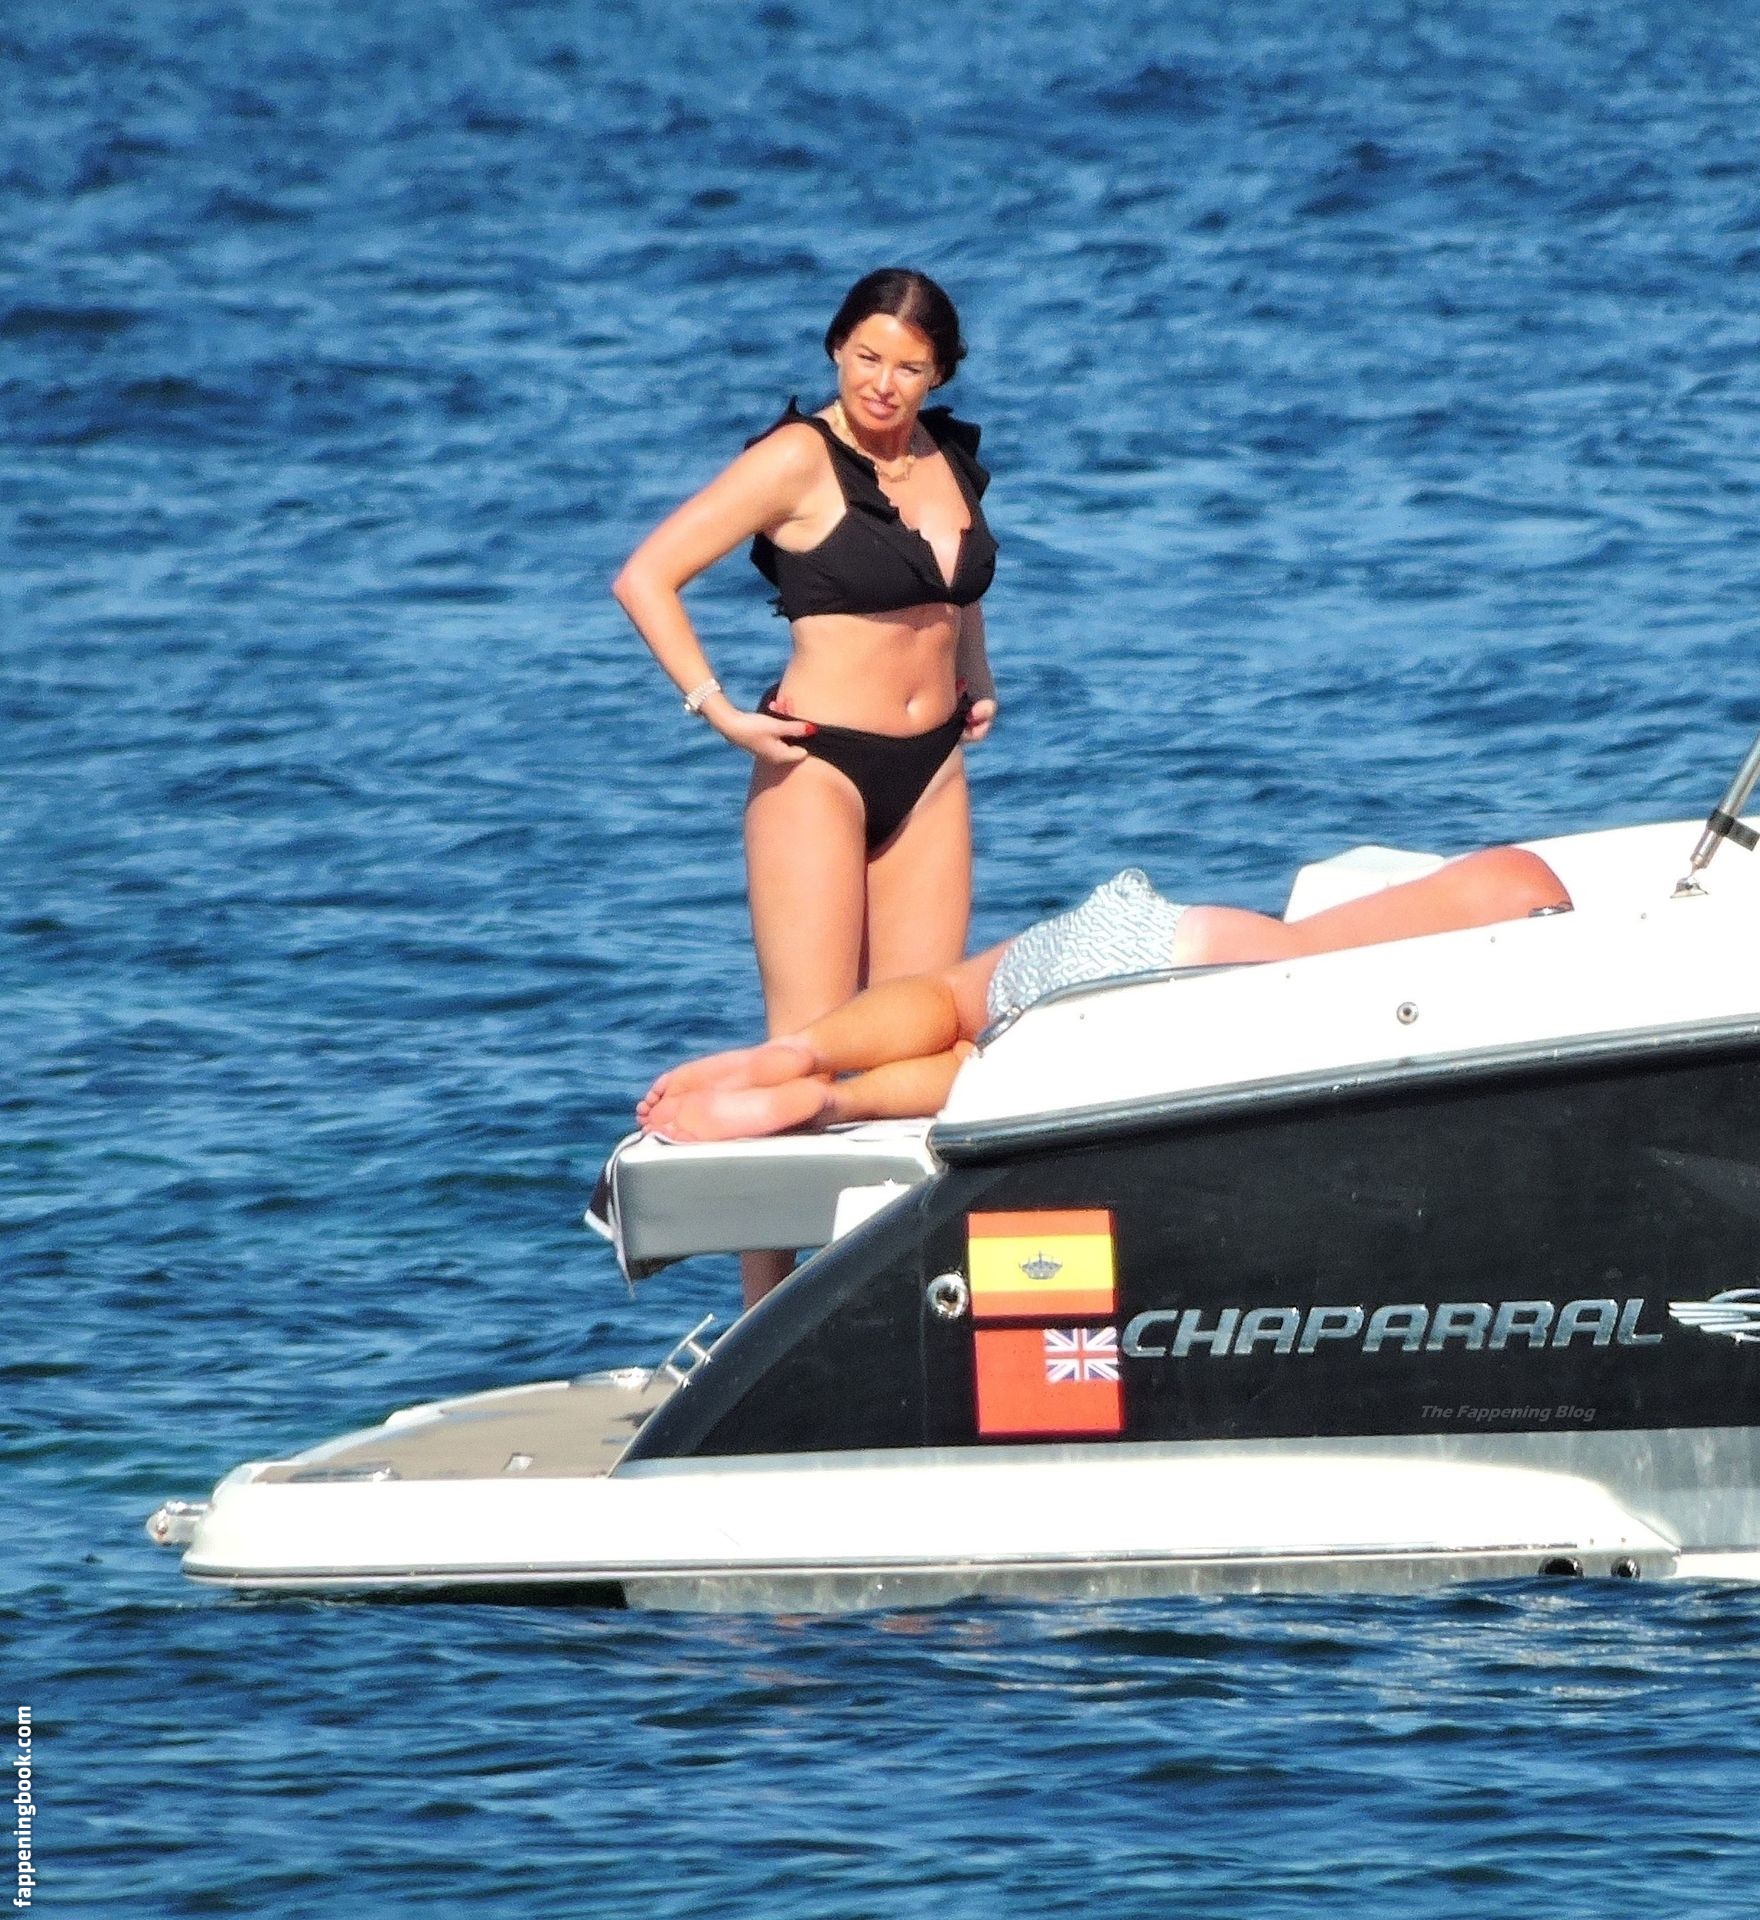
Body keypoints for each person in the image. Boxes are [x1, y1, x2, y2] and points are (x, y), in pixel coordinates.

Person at [613, 268, 998, 1302]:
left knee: (924, 1055)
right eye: (866, 357)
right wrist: (718, 709)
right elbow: (645, 576)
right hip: (815, 769)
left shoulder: (947, 457)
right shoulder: (794, 459)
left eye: (909, 367)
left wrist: (976, 677)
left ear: (939, 374)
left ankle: (896, 1306)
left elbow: (955, 589)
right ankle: (763, 1324)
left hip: (931, 774)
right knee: (802, 1059)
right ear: (836, 349)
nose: (882, 383)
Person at [637, 846, 1571, 1142]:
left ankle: (797, 1053)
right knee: (975, 1065)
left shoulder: (1503, 880)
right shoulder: (1524, 915)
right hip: (1199, 993)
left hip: (1162, 939)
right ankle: (836, 1103)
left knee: (953, 1002)